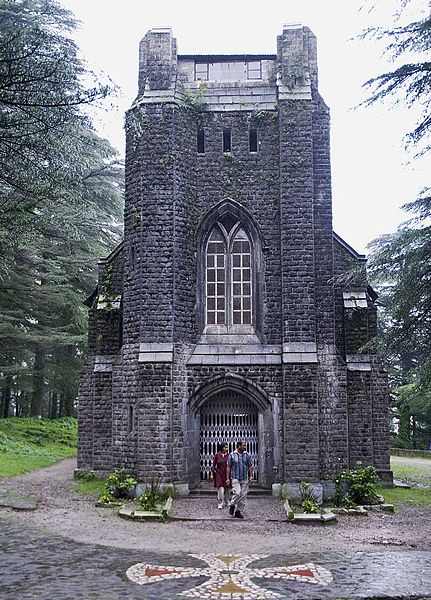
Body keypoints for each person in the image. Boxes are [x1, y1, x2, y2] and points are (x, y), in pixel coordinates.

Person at [226, 440, 253, 519]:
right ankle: (232, 505)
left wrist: (251, 476)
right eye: (243, 445)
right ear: (239, 446)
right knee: (237, 493)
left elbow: (250, 466)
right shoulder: (232, 455)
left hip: (244, 478)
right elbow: (228, 467)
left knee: (243, 495)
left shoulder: (247, 455)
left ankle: (238, 511)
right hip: (235, 477)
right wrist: (227, 479)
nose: (245, 447)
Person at [212, 442, 230, 509]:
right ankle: (220, 503)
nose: (227, 449)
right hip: (219, 473)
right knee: (220, 488)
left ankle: (227, 501)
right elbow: (214, 464)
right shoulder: (217, 455)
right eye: (225, 447)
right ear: (222, 448)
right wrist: (214, 471)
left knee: (227, 488)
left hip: (227, 473)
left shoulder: (229, 455)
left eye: (227, 447)